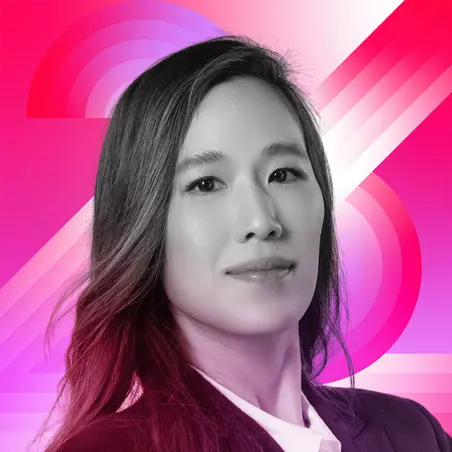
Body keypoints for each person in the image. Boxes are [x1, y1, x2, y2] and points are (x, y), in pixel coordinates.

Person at [32, 35, 451, 452]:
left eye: (283, 174)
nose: (262, 222)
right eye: (206, 184)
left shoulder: (411, 433)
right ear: (142, 224)